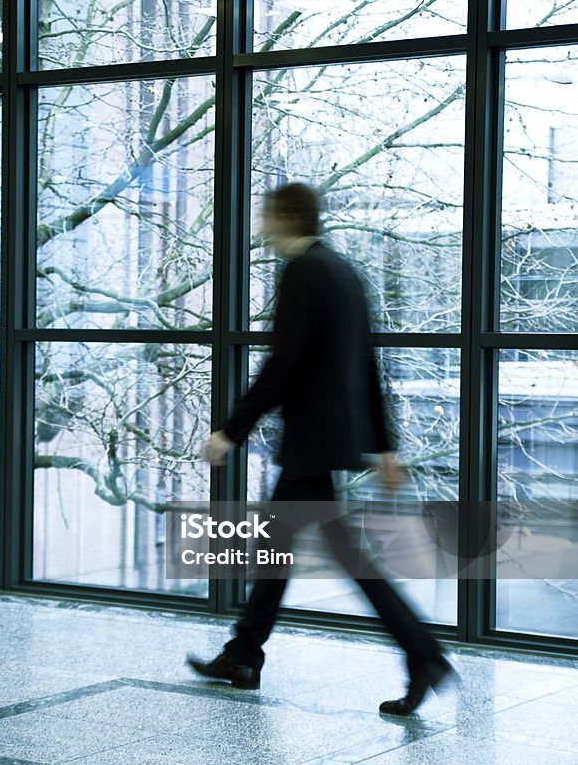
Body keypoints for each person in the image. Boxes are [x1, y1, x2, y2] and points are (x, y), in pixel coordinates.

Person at [186, 181, 455, 716]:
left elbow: (285, 363)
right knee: (281, 548)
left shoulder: (304, 272)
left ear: (287, 218)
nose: (260, 224)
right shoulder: (343, 271)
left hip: (311, 441)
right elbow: (366, 363)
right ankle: (245, 653)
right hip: (332, 438)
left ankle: (421, 654)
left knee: (332, 556)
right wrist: (383, 447)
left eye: (266, 215)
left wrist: (232, 430)